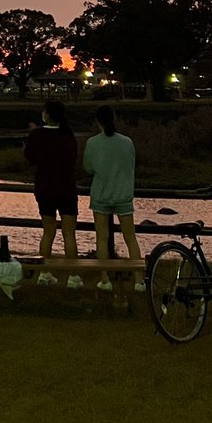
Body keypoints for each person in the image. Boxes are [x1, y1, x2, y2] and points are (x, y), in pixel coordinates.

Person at [82, 104, 145, 292]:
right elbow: (132, 164)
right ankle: (139, 280)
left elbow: (88, 167)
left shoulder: (92, 143)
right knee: (130, 238)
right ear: (114, 119)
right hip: (123, 194)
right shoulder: (127, 142)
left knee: (102, 238)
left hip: (101, 194)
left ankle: (105, 278)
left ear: (97, 121)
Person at [23, 99, 82, 288]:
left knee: (48, 232)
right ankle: (73, 276)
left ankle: (44, 273)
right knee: (69, 234)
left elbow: (30, 157)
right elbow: (73, 159)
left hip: (45, 189)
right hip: (66, 189)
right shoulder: (68, 135)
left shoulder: (37, 135)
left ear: (46, 114)